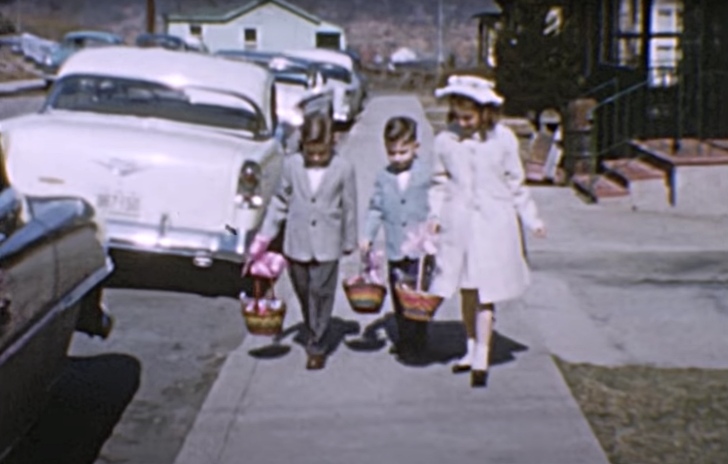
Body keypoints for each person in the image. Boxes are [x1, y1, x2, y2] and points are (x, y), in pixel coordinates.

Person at [428, 75, 546, 388]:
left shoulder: (503, 139)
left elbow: (514, 183)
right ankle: (469, 347)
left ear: (485, 112)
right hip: (460, 225)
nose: (464, 123)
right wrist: (435, 216)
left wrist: (531, 219)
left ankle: (483, 352)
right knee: (467, 290)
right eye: (458, 116)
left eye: (470, 116)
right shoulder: (445, 141)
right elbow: (439, 183)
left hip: (494, 224)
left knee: (486, 292)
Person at [247, 115, 358, 370]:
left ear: (333, 141)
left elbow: (349, 206)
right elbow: (280, 201)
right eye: (311, 153)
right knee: (304, 291)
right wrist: (265, 236)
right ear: (302, 144)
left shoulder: (343, 168)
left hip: (328, 243)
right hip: (297, 242)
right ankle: (312, 325)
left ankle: (317, 345)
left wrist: (349, 239)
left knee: (322, 291)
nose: (317, 158)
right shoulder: (291, 166)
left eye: (322, 153)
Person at [360, 116, 432, 361]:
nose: (398, 158)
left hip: (420, 248)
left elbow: (436, 204)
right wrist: (367, 235)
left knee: (420, 296)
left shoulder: (426, 174)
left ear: (415, 147)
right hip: (395, 247)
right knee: (400, 297)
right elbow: (376, 208)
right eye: (392, 153)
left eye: (404, 151)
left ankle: (419, 339)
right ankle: (404, 338)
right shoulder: (384, 177)